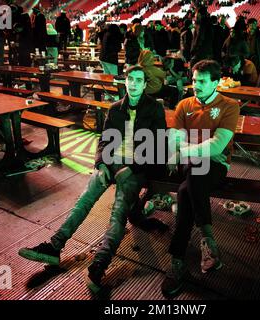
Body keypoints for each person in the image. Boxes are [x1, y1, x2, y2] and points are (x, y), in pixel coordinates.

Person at [18, 65, 167, 294]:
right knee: (85, 199)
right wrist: (102, 164)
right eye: (131, 79)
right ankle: (54, 246)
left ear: (145, 84)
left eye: (139, 80)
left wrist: (132, 166)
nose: (134, 83)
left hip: (136, 168)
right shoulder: (116, 108)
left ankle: (100, 264)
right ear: (125, 82)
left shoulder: (154, 109)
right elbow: (105, 140)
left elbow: (158, 146)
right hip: (113, 163)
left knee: (117, 215)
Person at [161, 60, 240, 297]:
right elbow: (172, 139)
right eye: (194, 80)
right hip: (190, 163)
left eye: (202, 81)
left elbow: (217, 147)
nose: (196, 85)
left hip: (215, 165)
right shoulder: (184, 104)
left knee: (186, 191)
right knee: (194, 172)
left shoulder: (229, 106)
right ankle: (207, 240)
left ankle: (177, 261)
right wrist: (186, 149)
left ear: (216, 82)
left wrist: (185, 149)